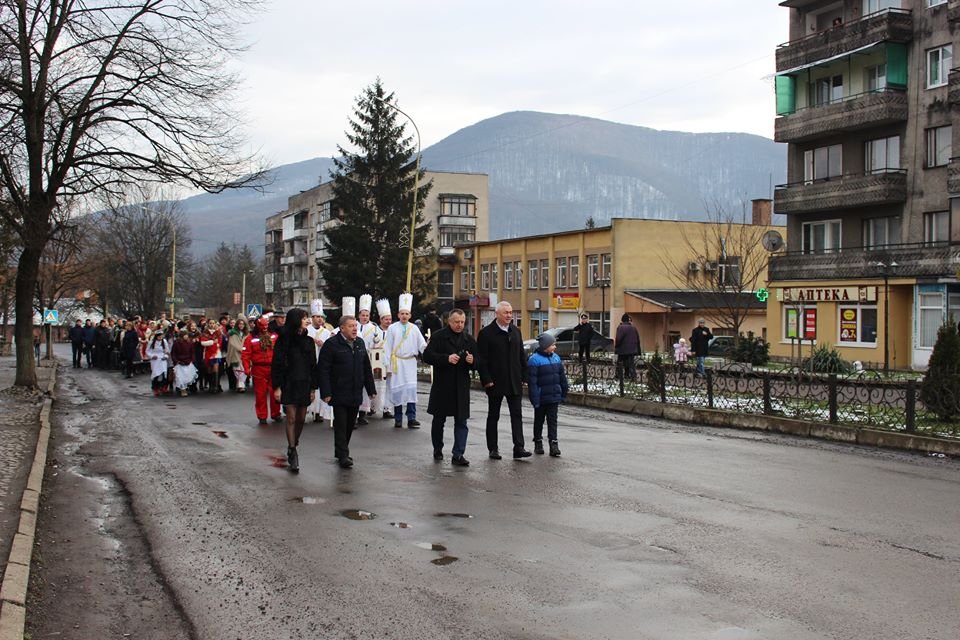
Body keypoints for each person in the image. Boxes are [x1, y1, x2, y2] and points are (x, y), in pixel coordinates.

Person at [318, 314, 376, 469]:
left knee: (350, 423)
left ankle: (341, 450)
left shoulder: (360, 343)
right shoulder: (332, 344)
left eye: (355, 326)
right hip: (339, 390)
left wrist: (371, 389)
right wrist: (326, 392)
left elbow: (366, 367)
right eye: (351, 326)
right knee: (341, 423)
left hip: (355, 390)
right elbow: (323, 369)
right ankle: (343, 454)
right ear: (342, 328)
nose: (355, 329)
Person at [422, 309, 477, 466]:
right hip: (442, 385)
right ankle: (437, 448)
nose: (459, 325)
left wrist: (472, 360)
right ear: (449, 322)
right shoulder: (439, 336)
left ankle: (458, 454)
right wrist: (446, 358)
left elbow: (479, 361)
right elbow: (427, 356)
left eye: (462, 322)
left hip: (461, 386)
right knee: (439, 420)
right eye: (456, 322)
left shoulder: (469, 339)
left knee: (462, 421)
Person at [477, 301, 531, 459]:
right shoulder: (486, 333)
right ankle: (493, 448)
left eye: (510, 312)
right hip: (495, 381)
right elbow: (482, 360)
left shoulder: (515, 331)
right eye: (505, 313)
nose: (509, 315)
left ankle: (519, 447)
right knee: (493, 415)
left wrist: (524, 375)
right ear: (497, 314)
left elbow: (521, 355)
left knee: (517, 414)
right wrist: (486, 379)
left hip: (514, 380)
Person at [271, 308, 319, 473]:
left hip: (304, 383)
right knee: (291, 418)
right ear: (296, 320)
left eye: (307, 318)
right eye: (304, 318)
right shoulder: (284, 339)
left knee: (300, 419)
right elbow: (277, 363)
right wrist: (277, 387)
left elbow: (313, 365)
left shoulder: (308, 341)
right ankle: (292, 450)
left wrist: (313, 388)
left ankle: (294, 442)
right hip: (289, 383)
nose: (307, 320)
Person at [384, 293, 427, 429]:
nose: (404, 316)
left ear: (410, 315)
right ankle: (398, 418)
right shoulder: (392, 328)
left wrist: (428, 348)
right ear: (398, 315)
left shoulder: (414, 328)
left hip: (409, 362)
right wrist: (388, 365)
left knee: (410, 390)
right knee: (397, 390)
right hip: (397, 362)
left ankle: (411, 417)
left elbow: (421, 344)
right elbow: (387, 346)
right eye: (402, 313)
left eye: (406, 313)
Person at [527, 332, 568, 457]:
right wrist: (534, 398)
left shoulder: (556, 358)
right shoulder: (534, 360)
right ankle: (538, 442)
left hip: (553, 396)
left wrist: (564, 391)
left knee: (552, 421)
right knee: (539, 421)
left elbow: (562, 377)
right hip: (541, 397)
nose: (555, 347)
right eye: (553, 344)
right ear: (546, 345)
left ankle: (553, 444)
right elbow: (532, 382)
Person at [242, 316, 282, 424]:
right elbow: (245, 355)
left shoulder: (274, 336)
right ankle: (262, 416)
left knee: (275, 393)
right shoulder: (250, 338)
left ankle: (276, 413)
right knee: (260, 394)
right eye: (262, 326)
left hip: (273, 368)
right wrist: (246, 368)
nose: (264, 328)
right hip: (258, 369)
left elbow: (280, 352)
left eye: (266, 326)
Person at [356, 294, 384, 425]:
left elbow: (379, 343)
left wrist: (376, 341)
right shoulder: (353, 325)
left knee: (365, 386)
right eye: (362, 315)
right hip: (354, 357)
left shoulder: (374, 328)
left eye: (367, 315)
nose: (364, 317)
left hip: (368, 358)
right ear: (359, 315)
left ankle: (362, 413)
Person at [306, 299, 333, 424]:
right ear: (312, 318)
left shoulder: (326, 332)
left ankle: (320, 412)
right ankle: (311, 409)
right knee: (311, 387)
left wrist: (323, 345)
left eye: (321, 317)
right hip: (310, 363)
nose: (319, 319)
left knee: (321, 388)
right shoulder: (307, 331)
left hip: (322, 363)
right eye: (316, 317)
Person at [375, 300, 393, 420]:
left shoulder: (393, 330)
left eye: (389, 319)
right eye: (386, 319)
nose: (388, 321)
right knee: (377, 384)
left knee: (389, 386)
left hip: (390, 362)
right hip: (377, 361)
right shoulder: (375, 330)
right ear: (381, 320)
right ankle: (373, 406)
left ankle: (387, 409)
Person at [199, 319, 224, 393]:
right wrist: (212, 342)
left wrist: (216, 344)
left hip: (216, 352)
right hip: (207, 352)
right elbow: (203, 343)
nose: (212, 325)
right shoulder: (205, 333)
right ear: (208, 324)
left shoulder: (218, 332)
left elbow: (219, 342)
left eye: (213, 323)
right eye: (210, 323)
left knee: (215, 368)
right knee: (209, 369)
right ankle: (211, 385)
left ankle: (215, 386)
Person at [614, 313, 641, 382]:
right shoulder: (634, 328)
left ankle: (618, 376)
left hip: (622, 350)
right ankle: (632, 377)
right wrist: (638, 351)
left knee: (620, 363)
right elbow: (638, 339)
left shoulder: (621, 328)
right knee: (631, 364)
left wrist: (616, 347)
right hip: (632, 350)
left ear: (622, 320)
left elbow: (618, 339)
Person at [170, 331, 197, 396]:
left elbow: (192, 352)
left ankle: (186, 387)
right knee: (180, 377)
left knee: (188, 375)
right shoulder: (176, 343)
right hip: (179, 362)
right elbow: (173, 353)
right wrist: (177, 361)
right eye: (184, 335)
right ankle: (183, 389)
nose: (186, 336)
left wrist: (192, 360)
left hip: (188, 361)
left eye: (187, 335)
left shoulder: (190, 343)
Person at [226, 317, 248, 393]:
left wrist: (246, 350)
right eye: (239, 324)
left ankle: (240, 385)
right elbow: (233, 343)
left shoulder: (246, 333)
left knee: (243, 369)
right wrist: (242, 349)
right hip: (235, 354)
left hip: (245, 354)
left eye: (242, 324)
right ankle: (241, 386)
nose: (241, 325)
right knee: (238, 370)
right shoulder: (233, 333)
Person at [146, 331, 170, 396]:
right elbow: (147, 351)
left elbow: (167, 351)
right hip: (155, 360)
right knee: (156, 374)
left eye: (161, 336)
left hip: (162, 359)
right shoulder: (152, 342)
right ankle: (155, 388)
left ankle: (162, 386)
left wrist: (166, 356)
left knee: (163, 373)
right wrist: (151, 356)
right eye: (159, 336)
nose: (160, 338)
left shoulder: (164, 342)